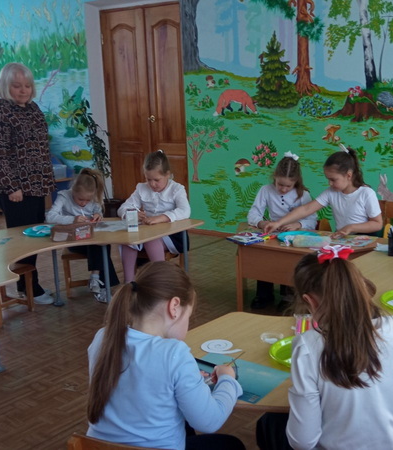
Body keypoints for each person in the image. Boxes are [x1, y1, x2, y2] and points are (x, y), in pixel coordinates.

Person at [256, 248, 393, 450]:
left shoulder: (307, 345)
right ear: (361, 286)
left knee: (268, 424)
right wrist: (391, 394)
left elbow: (303, 442)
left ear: (310, 301)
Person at [86, 261, 244, 450]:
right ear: (174, 306)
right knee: (232, 445)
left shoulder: (103, 337)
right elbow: (209, 422)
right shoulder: (174, 353)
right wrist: (228, 379)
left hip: (97, 447)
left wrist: (189, 381)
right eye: (188, 316)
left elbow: (142, 387)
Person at [0, 62, 55, 305]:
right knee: (22, 241)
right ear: (6, 86)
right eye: (17, 86)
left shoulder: (33, 108)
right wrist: (11, 186)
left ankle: (28, 285)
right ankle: (29, 288)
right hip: (17, 189)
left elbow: (41, 147)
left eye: (27, 85)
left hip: (37, 185)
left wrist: (46, 182)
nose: (23, 90)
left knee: (34, 238)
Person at [263, 145, 383, 238]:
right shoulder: (331, 192)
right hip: (343, 239)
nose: (329, 183)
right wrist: (278, 223)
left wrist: (351, 227)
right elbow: (306, 209)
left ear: (348, 175)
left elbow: (377, 224)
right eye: (328, 179)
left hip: (367, 240)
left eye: (333, 179)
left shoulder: (366, 193)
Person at [247, 151, 316, 309]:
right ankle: (264, 295)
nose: (283, 189)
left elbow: (312, 220)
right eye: (280, 184)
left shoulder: (303, 194)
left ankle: (288, 297)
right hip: (272, 235)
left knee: (291, 262)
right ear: (275, 178)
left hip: (294, 238)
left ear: (296, 182)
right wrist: (261, 223)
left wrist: (298, 224)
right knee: (265, 258)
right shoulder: (266, 190)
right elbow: (253, 213)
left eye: (288, 186)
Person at [45, 168, 119, 302]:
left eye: (87, 200)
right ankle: (102, 285)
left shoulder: (93, 198)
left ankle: (96, 278)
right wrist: (72, 219)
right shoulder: (64, 196)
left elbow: (97, 210)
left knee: (101, 244)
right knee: (99, 247)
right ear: (73, 190)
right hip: (73, 241)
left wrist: (98, 215)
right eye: (80, 199)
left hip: (89, 239)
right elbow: (50, 217)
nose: (84, 203)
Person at [118, 150, 191, 283]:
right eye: (148, 179)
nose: (152, 184)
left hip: (172, 235)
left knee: (150, 240)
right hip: (147, 232)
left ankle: (161, 281)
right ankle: (129, 283)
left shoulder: (177, 189)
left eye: (157, 180)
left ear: (167, 174)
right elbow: (123, 208)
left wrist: (161, 218)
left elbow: (185, 211)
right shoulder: (141, 188)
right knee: (128, 241)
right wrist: (131, 213)